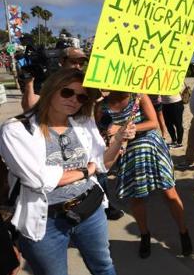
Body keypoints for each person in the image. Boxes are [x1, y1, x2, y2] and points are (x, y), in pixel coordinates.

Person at [0, 68, 135, 275]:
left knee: (104, 266)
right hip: (47, 221)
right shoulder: (17, 129)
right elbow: (39, 180)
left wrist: (119, 140)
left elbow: (103, 164)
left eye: (81, 97)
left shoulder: (83, 122)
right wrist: (86, 171)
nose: (74, 100)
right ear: (51, 89)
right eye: (67, 92)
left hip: (90, 210)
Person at [96, 91, 192, 259]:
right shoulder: (100, 106)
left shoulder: (138, 96)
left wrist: (127, 127)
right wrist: (110, 135)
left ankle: (183, 231)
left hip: (152, 148)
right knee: (137, 197)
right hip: (129, 154)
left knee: (169, 193)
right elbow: (101, 133)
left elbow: (153, 122)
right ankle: (145, 235)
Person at [21, 47, 88, 111]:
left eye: (81, 64)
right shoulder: (49, 80)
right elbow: (29, 108)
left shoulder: (83, 83)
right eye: (73, 62)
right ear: (62, 61)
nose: (78, 66)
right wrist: (29, 83)